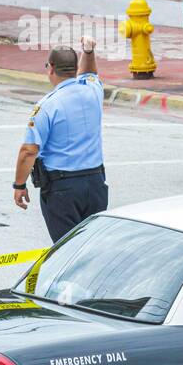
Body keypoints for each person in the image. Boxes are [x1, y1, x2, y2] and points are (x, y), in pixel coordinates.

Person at [14, 37, 108, 242]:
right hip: (95, 184)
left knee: (66, 250)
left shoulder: (47, 106)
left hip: (62, 189)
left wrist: (19, 185)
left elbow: (29, 151)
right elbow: (90, 73)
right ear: (74, 69)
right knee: (90, 246)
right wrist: (88, 51)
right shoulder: (93, 91)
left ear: (51, 68)